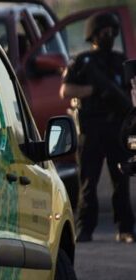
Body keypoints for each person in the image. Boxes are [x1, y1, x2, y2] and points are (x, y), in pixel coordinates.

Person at [60, 12, 134, 243]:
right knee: (88, 183)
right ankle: (85, 229)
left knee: (120, 181)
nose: (108, 36)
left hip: (116, 129)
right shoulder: (82, 62)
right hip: (91, 130)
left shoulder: (120, 61)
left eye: (112, 32)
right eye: (104, 32)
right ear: (93, 34)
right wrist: (93, 90)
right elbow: (66, 91)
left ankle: (125, 229)